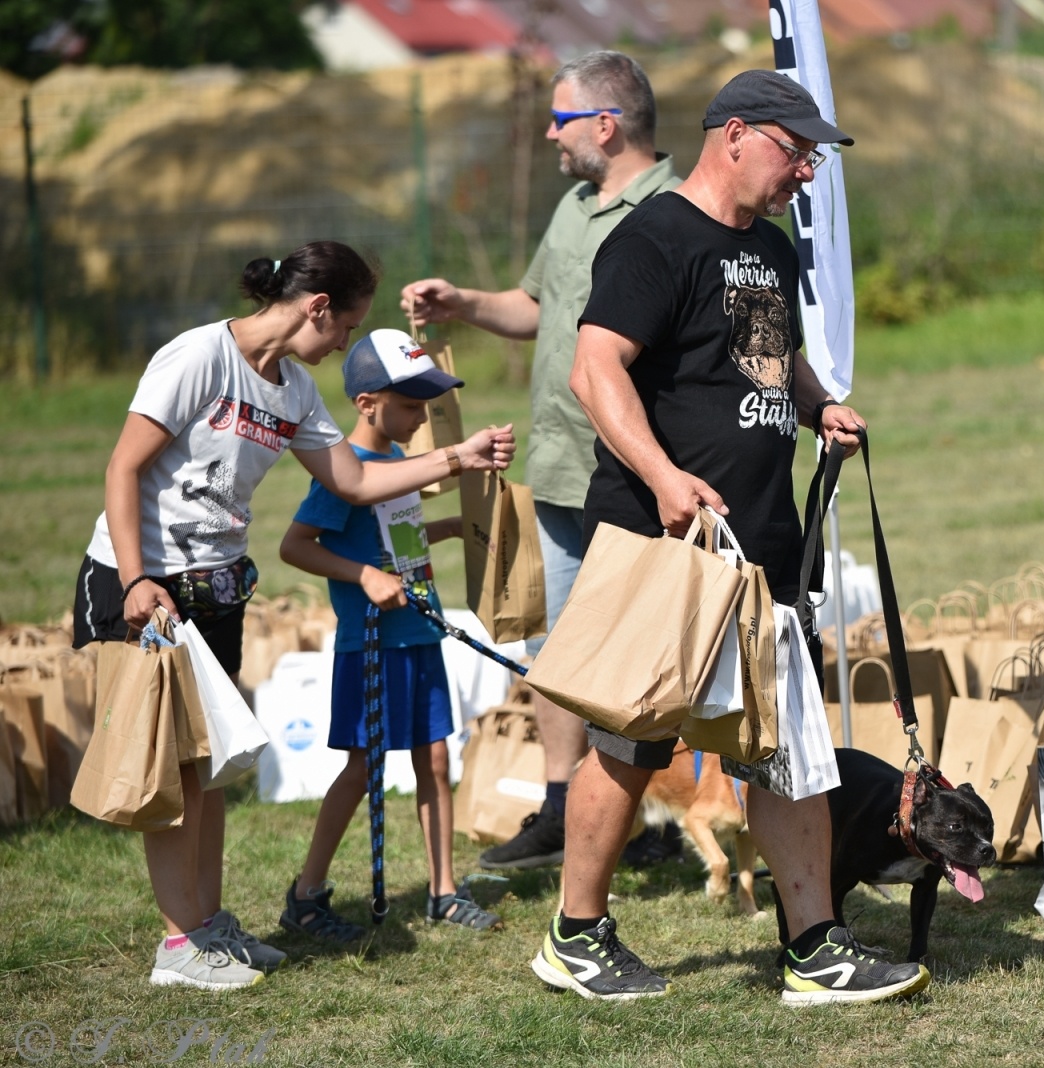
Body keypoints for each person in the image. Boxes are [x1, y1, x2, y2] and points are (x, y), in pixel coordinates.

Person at [533, 69, 929, 1006]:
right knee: (631, 747)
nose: (806, 175)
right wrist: (666, 479)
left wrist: (817, 406)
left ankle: (814, 948)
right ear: (738, 133)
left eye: (814, 160)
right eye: (798, 154)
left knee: (785, 744)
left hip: (760, 544)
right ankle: (574, 934)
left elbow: (767, 355)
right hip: (662, 538)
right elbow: (598, 370)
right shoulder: (656, 237)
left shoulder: (774, 250)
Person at [73, 243, 515, 991]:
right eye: (345, 326)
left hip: (215, 589)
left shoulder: (297, 389)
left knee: (210, 767)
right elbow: (124, 466)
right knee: (173, 772)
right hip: (145, 584)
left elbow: (349, 479)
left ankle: (209, 926)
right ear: (317, 308)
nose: (345, 342)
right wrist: (137, 578)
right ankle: (180, 944)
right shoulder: (197, 357)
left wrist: (456, 459)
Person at [399, 51, 679, 872]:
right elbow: (536, 305)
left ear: (606, 124)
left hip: (633, 471)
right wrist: (466, 305)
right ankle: (564, 807)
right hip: (558, 466)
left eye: (560, 120)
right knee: (556, 648)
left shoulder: (673, 211)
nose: (549, 134)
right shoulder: (573, 205)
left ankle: (659, 811)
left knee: (647, 647)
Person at [277, 329, 502, 942]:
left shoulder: (400, 464)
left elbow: (393, 533)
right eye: (410, 406)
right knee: (360, 770)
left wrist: (447, 527)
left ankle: (444, 892)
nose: (421, 416)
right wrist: (362, 576)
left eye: (425, 405)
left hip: (419, 634)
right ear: (367, 403)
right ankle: (306, 895)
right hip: (370, 645)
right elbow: (295, 546)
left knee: (435, 759)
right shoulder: (341, 472)